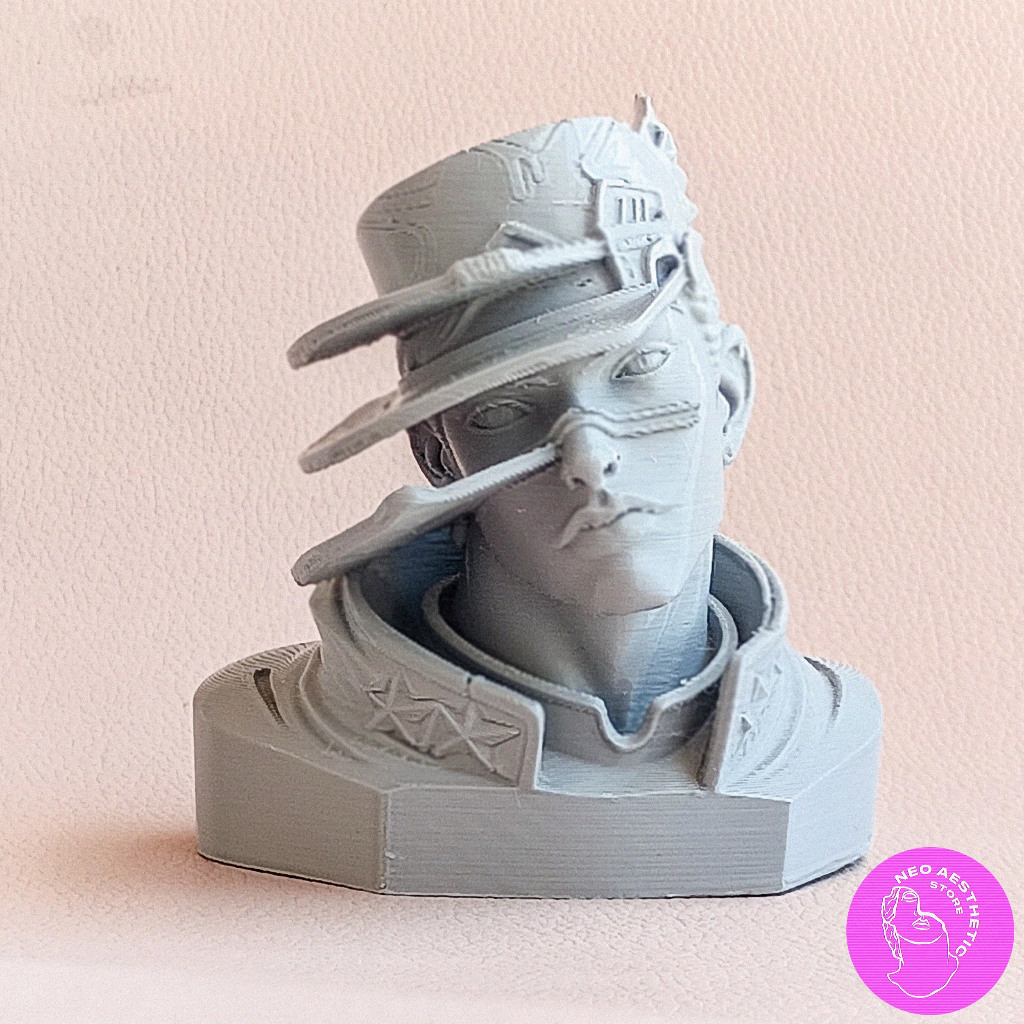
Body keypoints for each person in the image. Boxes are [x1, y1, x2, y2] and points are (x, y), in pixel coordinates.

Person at [194, 99, 883, 896]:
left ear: (729, 395)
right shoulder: (271, 728)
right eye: (504, 409)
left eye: (637, 370)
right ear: (438, 455)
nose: (588, 457)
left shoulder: (821, 729)